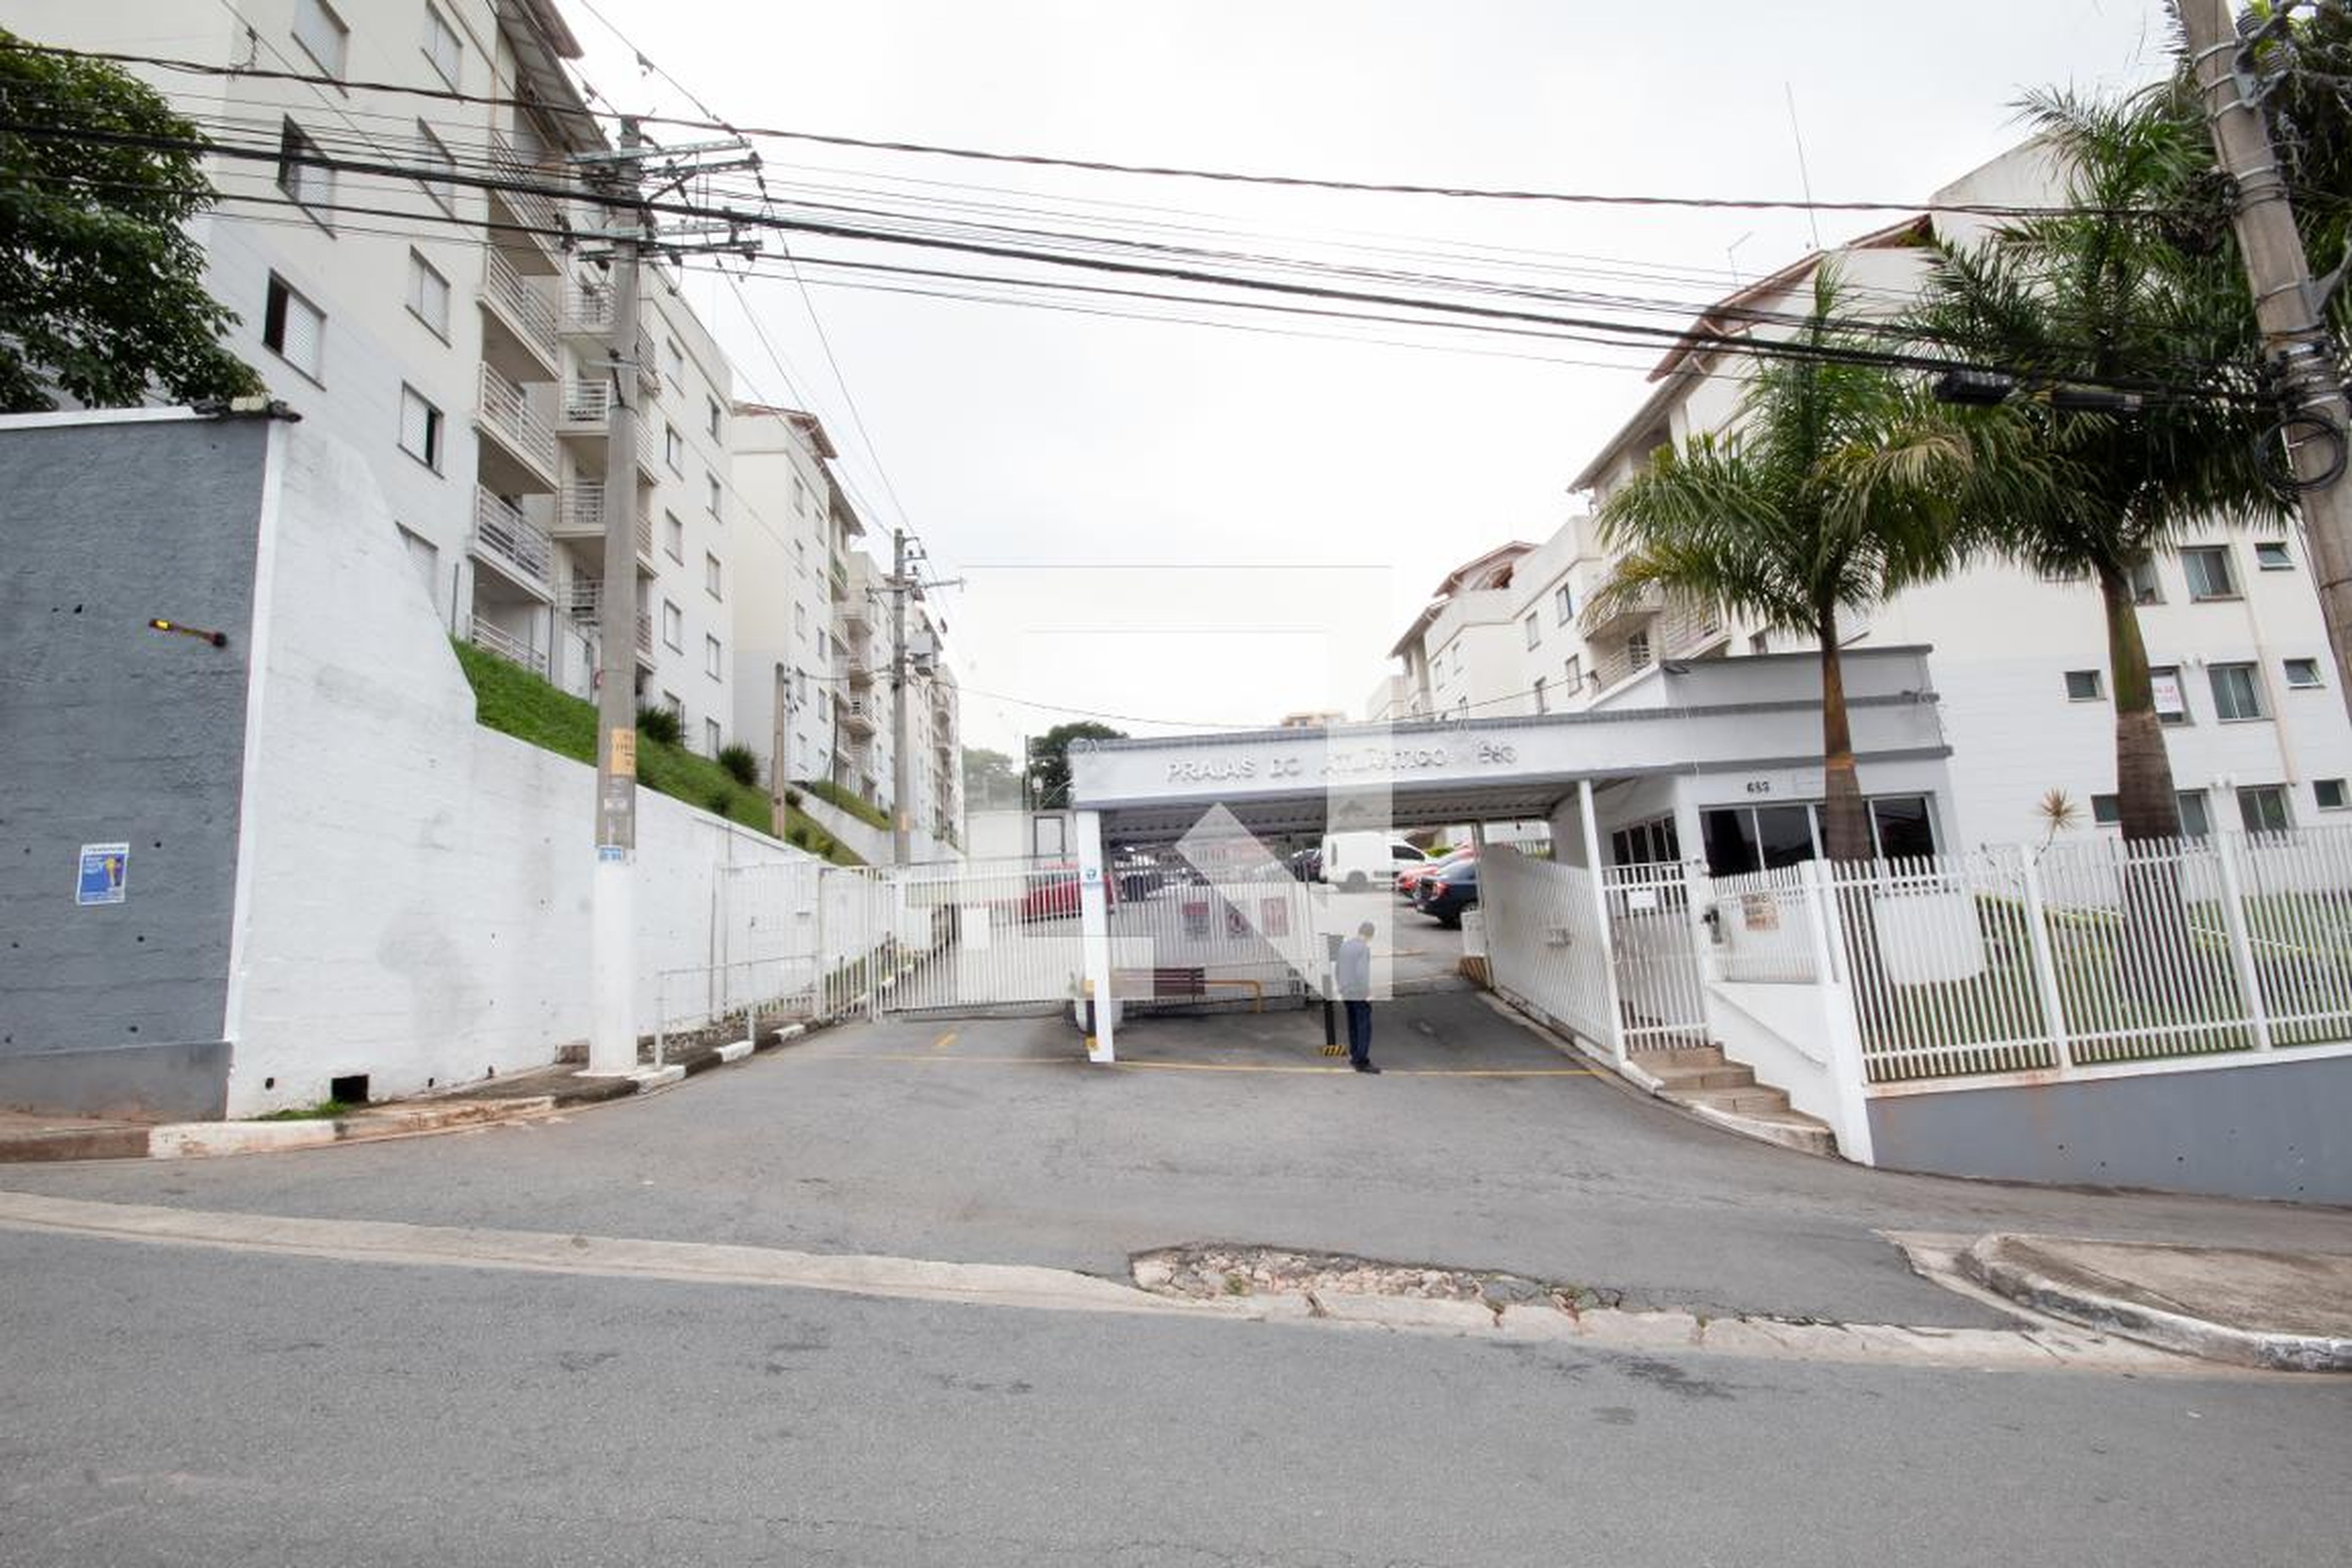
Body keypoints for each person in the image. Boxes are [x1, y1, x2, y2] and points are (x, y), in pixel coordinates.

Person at [1336, 921, 1379, 1074]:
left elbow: (1338, 969)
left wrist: (1341, 987)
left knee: (1353, 1024)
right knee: (1364, 1027)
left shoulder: (1345, 946)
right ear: (1370, 935)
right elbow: (1362, 974)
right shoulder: (1363, 949)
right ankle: (1361, 1061)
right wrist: (1367, 994)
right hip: (1358, 992)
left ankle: (1355, 1056)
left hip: (1346, 991)